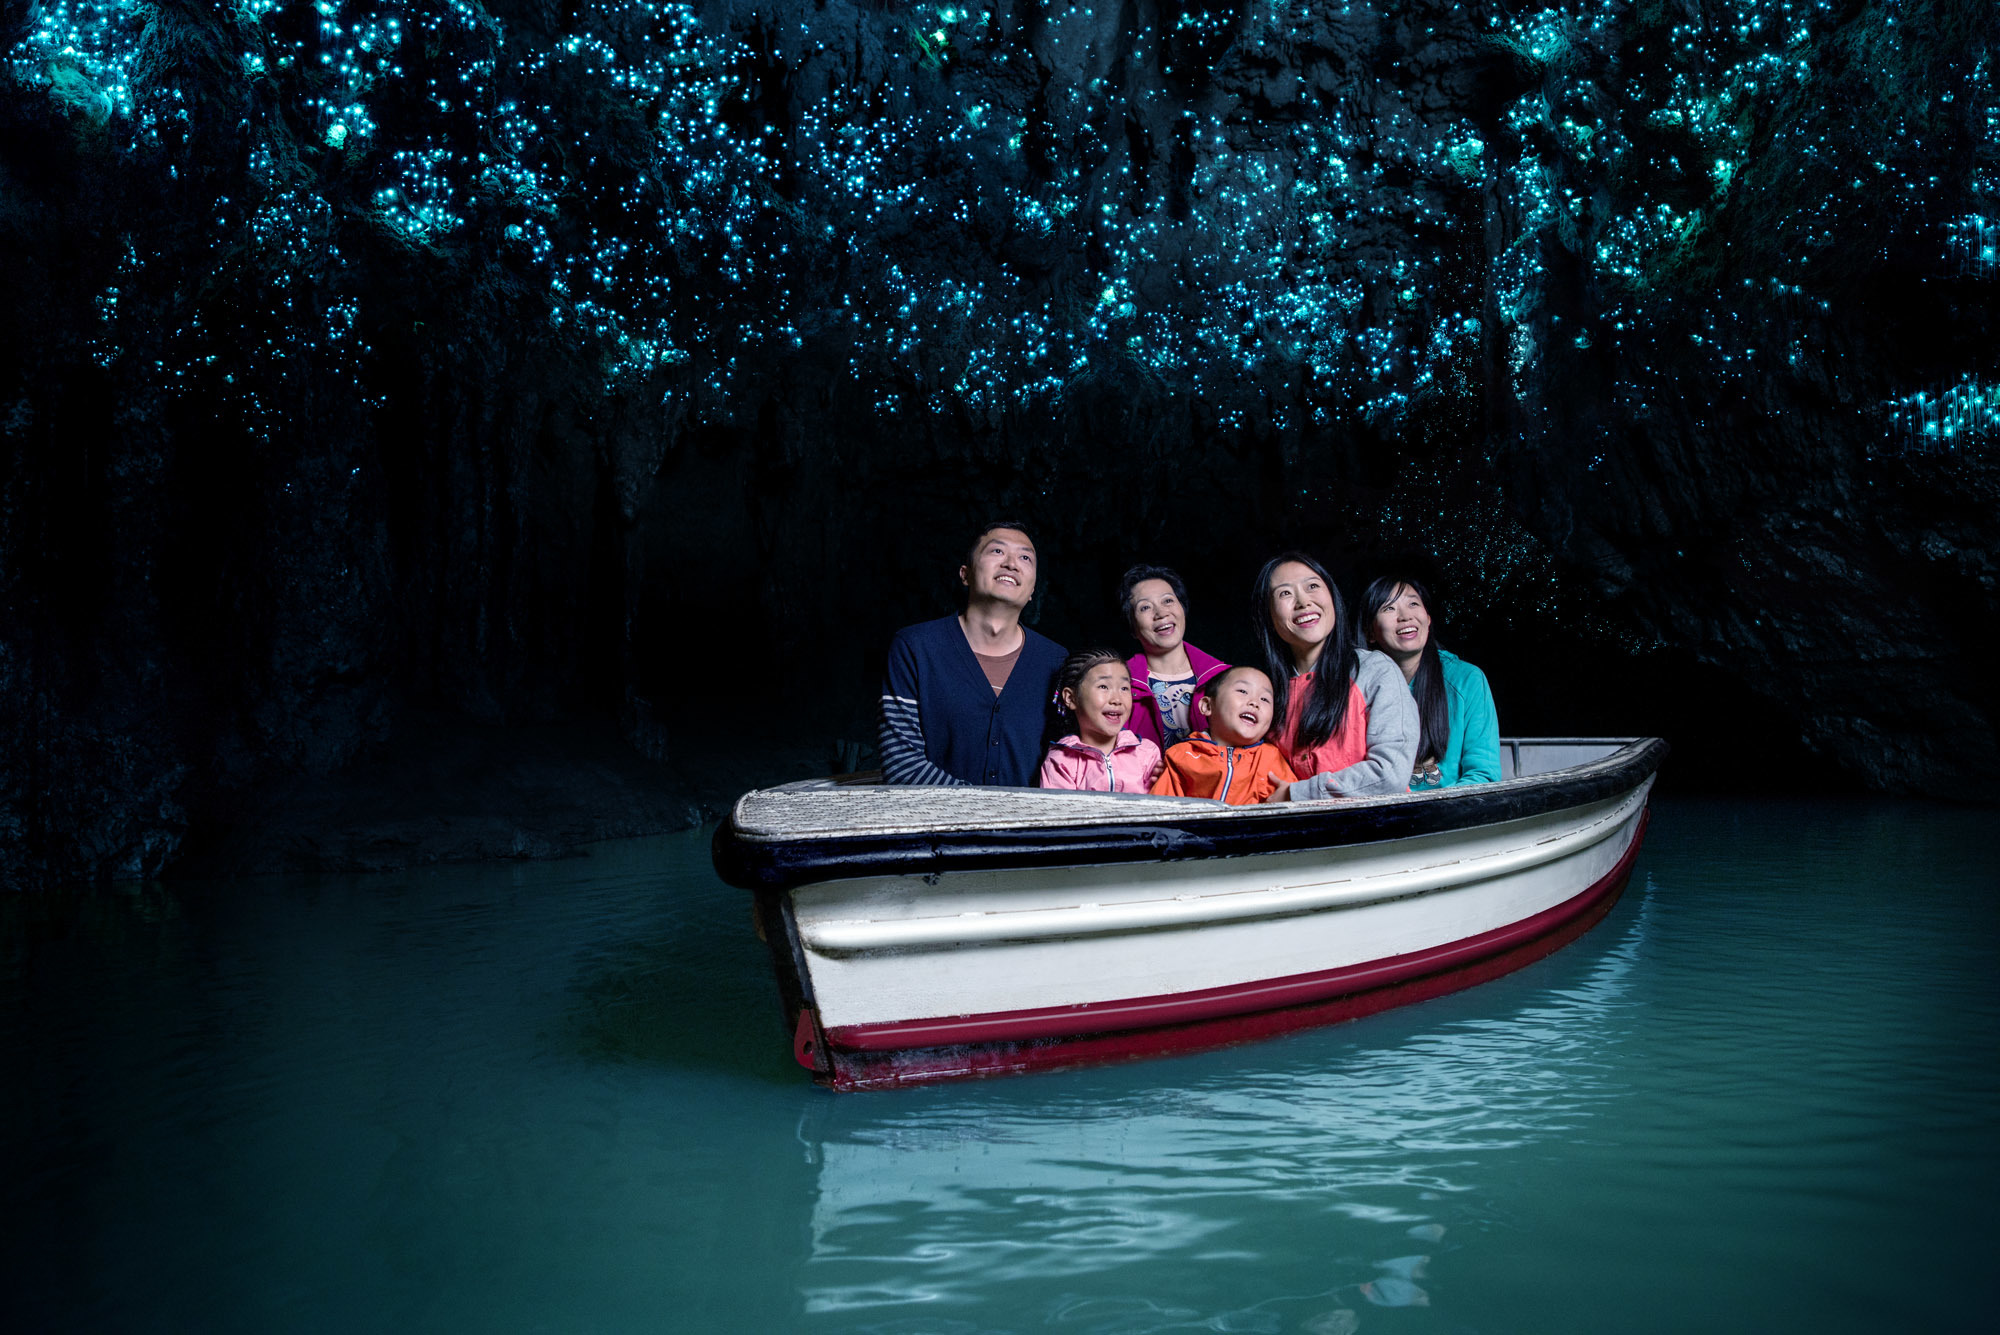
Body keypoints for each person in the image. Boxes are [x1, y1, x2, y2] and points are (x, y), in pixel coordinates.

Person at [879, 522, 1067, 786]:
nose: (1011, 564)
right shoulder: (916, 648)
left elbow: (1070, 758)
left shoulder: (1056, 661)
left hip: (1031, 826)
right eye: (997, 552)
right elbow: (902, 766)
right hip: (934, 825)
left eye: (1025, 557)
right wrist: (988, 813)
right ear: (965, 574)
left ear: (1033, 590)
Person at [1252, 551, 1418, 801]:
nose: (1303, 602)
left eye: (1313, 586)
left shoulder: (1375, 670)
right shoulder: (1265, 692)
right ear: (1269, 616)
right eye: (1285, 593)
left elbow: (1390, 775)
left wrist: (1295, 794)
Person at [1361, 576, 1501, 788]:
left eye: (1413, 604)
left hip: (1450, 815)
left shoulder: (1467, 680)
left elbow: (1483, 776)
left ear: (1427, 618)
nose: (1405, 616)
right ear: (1370, 632)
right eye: (1389, 608)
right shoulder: (1356, 687)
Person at [1117, 565, 1230, 750]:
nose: (1161, 613)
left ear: (1182, 608)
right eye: (1145, 607)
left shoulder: (1226, 679)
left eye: (1168, 601)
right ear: (1132, 628)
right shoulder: (1120, 685)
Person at [1149, 666, 1298, 804]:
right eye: (1243, 691)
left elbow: (1294, 808)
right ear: (1207, 706)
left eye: (1265, 699)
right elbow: (1161, 810)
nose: (1255, 703)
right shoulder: (1182, 755)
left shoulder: (1270, 758)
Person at [1038, 650, 1164, 792]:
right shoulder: (1061, 761)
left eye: (1124, 688)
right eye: (1103, 686)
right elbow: (1061, 813)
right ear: (1071, 698)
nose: (1117, 699)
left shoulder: (1147, 753)